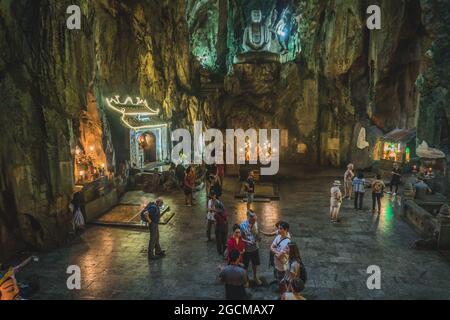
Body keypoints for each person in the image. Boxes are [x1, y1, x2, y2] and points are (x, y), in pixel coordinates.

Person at [240, 210, 262, 286]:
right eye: (252, 218)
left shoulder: (255, 224)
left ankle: (255, 277)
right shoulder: (242, 226)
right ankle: (245, 279)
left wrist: (258, 238)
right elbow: (241, 238)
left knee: (255, 263)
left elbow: (257, 234)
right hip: (246, 249)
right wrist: (247, 242)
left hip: (255, 247)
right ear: (248, 217)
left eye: (254, 217)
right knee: (245, 265)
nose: (254, 219)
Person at [270, 221, 291, 293]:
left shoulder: (288, 242)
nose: (278, 230)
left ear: (286, 230)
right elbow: (271, 247)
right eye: (278, 228)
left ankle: (284, 295)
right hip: (277, 264)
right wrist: (277, 252)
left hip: (282, 267)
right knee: (280, 281)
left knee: (283, 283)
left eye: (281, 229)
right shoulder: (278, 237)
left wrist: (275, 251)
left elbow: (278, 256)